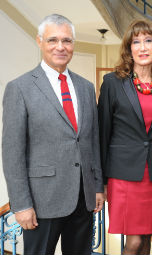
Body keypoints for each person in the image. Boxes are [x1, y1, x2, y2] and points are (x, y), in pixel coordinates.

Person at [2, 14, 104, 255]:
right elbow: (12, 152)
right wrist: (21, 204)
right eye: (53, 40)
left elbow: (92, 142)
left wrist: (97, 186)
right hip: (41, 203)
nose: (60, 46)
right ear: (40, 42)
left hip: (83, 199)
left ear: (73, 45)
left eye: (67, 40)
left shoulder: (86, 87)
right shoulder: (20, 88)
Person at [98, 19, 152, 255]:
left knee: (146, 239)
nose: (142, 47)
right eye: (136, 42)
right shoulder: (113, 83)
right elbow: (102, 134)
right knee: (133, 242)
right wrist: (99, 182)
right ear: (129, 49)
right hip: (124, 176)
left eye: (148, 41)